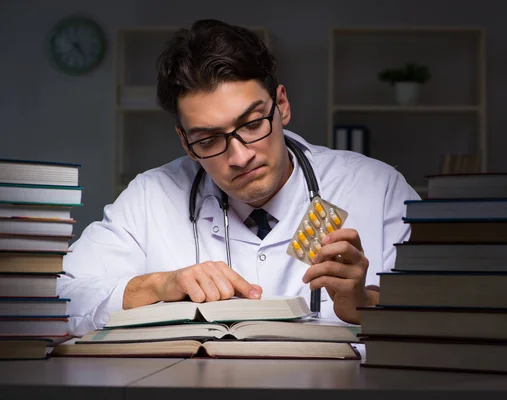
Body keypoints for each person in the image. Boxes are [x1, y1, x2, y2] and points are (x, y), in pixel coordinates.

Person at [57, 19, 420, 337]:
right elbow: (54, 299)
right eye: (209, 139)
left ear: (281, 106)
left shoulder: (378, 189)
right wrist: (158, 285)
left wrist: (363, 303)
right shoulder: (150, 197)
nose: (240, 156)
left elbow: (449, 313)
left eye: (251, 124)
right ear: (185, 141)